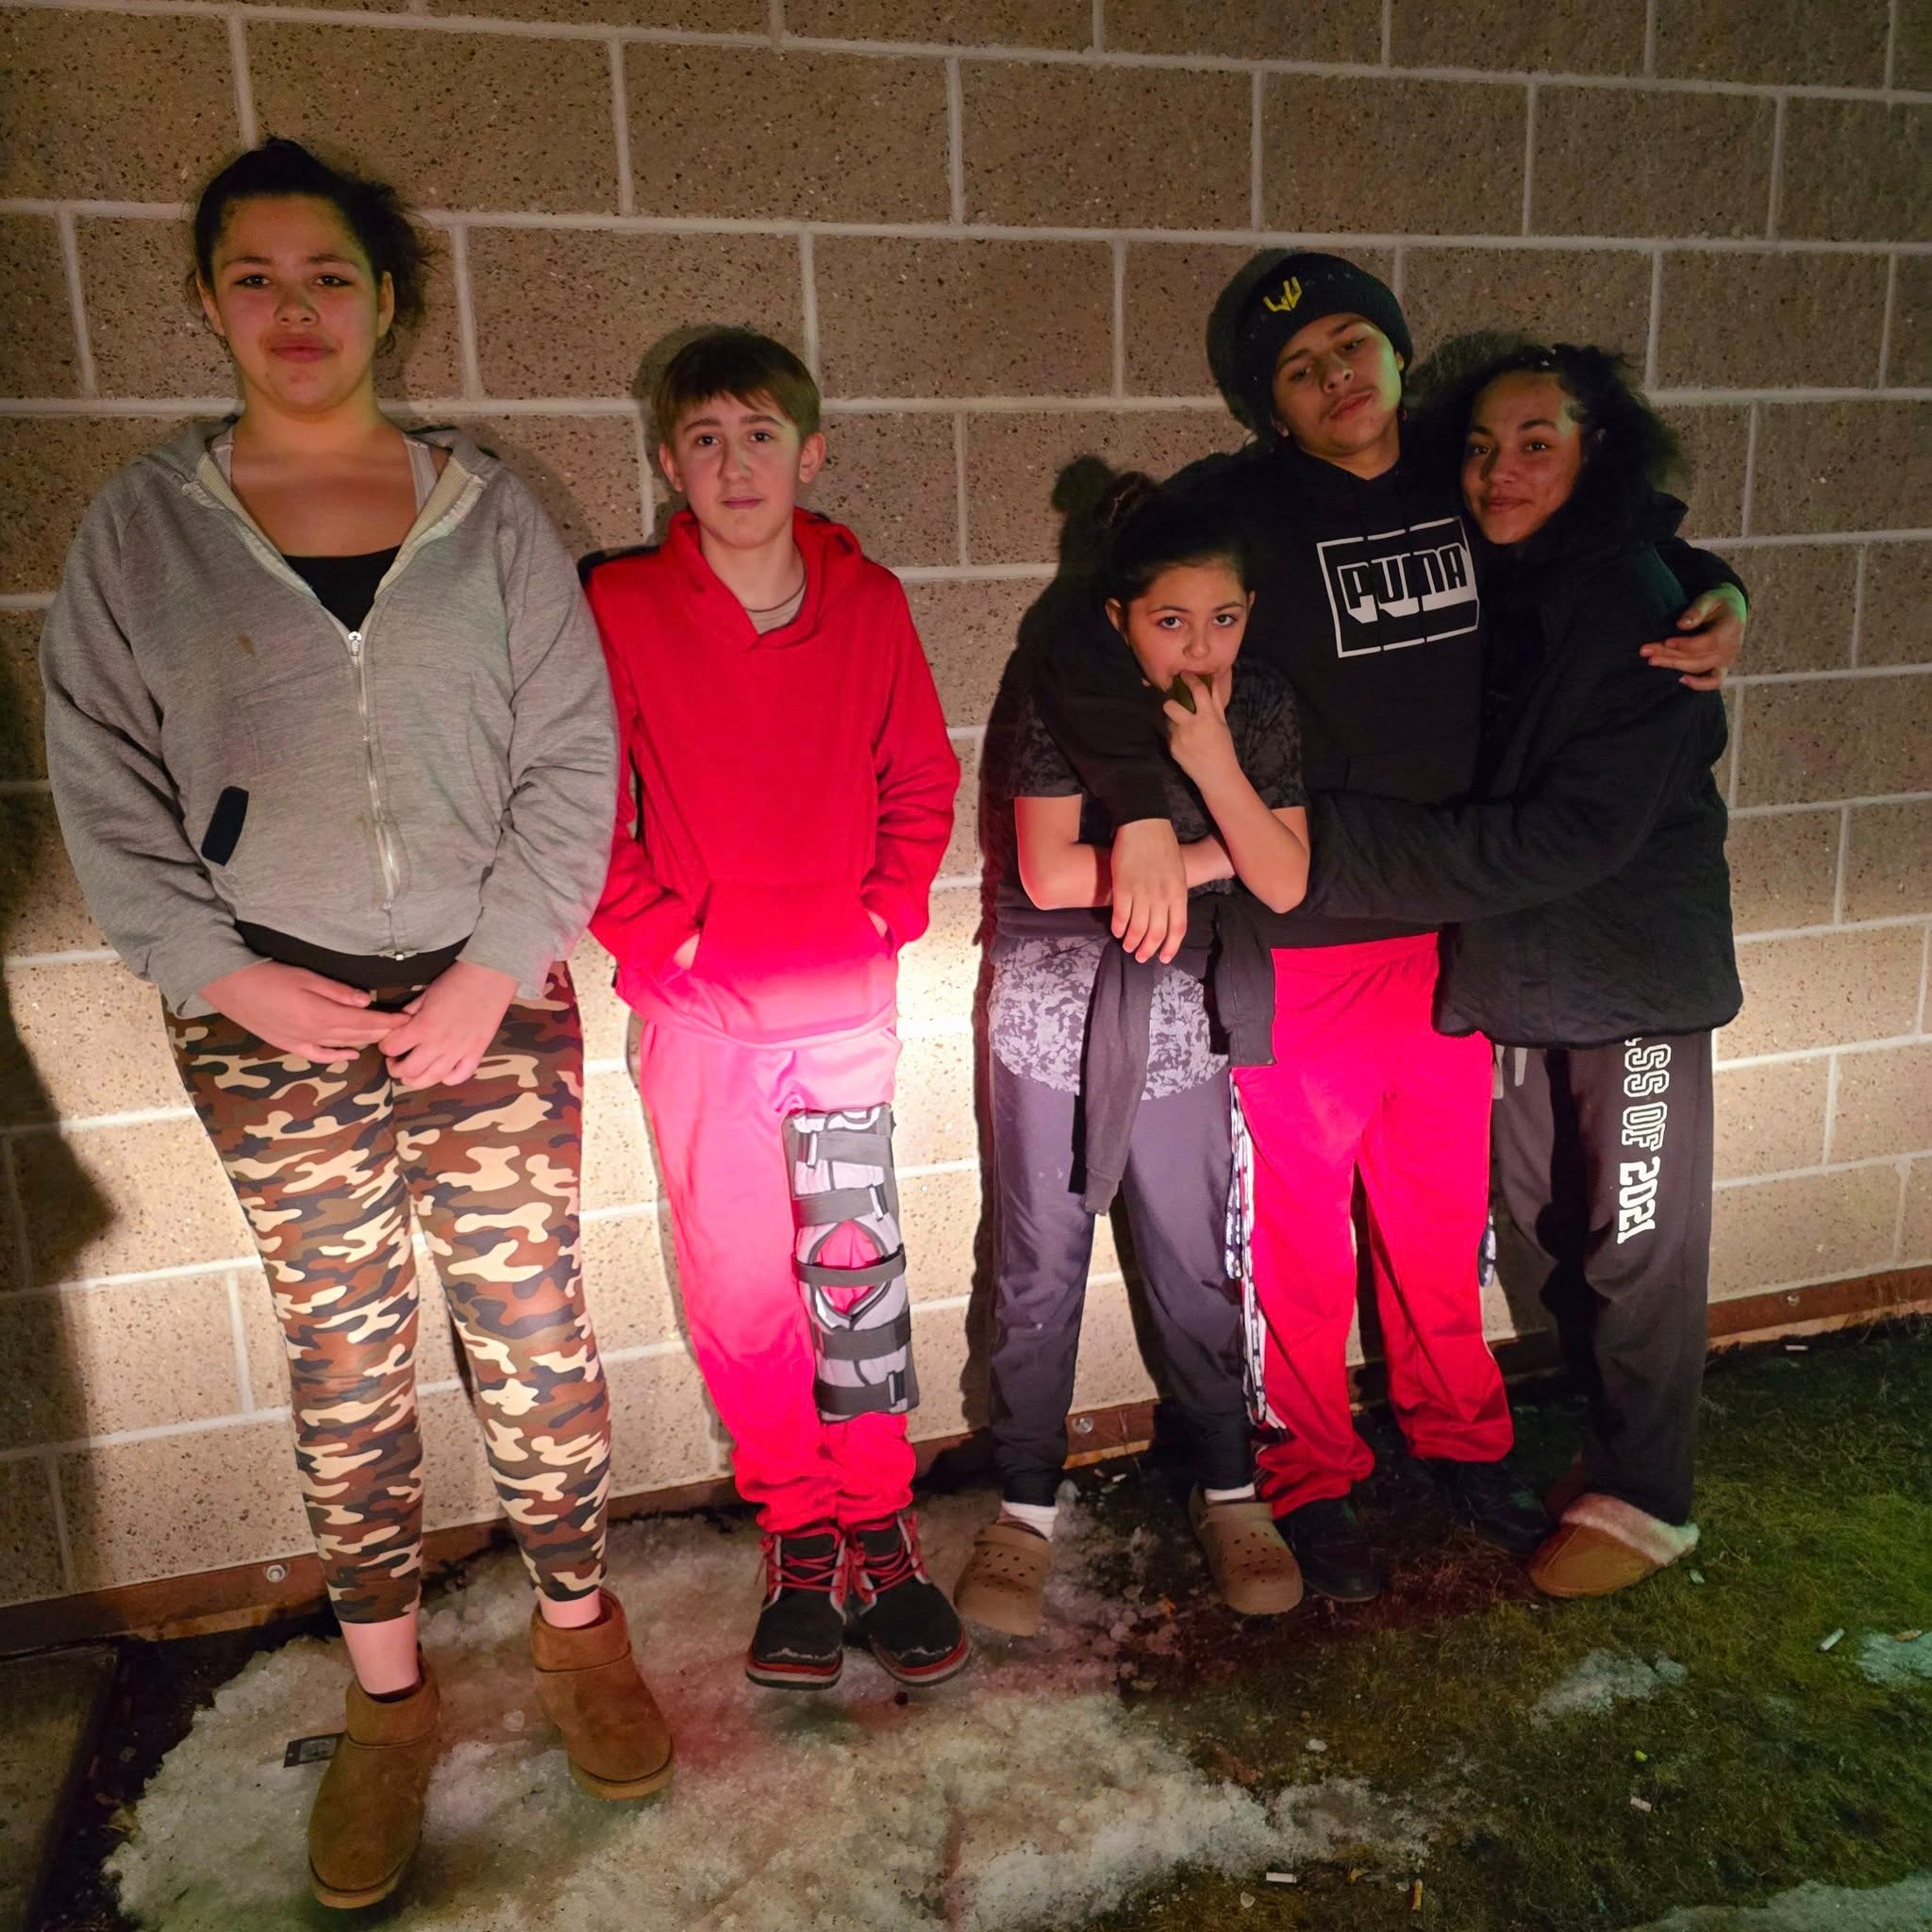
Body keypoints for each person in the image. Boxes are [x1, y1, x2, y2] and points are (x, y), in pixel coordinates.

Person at [39, 140, 667, 1911]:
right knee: (343, 1351)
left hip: (489, 997)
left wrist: (494, 961)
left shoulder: (489, 513)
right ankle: (388, 1692)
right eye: (254, 275)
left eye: (329, 274)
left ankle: (578, 1627)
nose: (294, 307)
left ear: (388, 299)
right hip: (270, 1012)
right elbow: (103, 777)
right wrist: (221, 970)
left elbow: (572, 753)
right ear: (207, 301)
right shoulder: (143, 531)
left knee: (532, 1324)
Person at [1039, 253, 1747, 1602]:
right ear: (1270, 405)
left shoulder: (1463, 477)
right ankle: (1309, 1470)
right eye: (1297, 369)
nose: (1334, 377)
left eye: (1352, 344)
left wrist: (1724, 593)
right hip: (1303, 940)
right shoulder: (1236, 507)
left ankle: (1462, 1438)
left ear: (1398, 355)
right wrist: (1133, 814)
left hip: (1459, 937)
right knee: (1299, 1237)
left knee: (1436, 1220)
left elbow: (1613, 540)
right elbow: (1093, 634)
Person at [1299, 339, 1740, 1596]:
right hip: (1526, 974)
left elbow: (1567, 834)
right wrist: (1723, 583)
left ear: (1596, 455)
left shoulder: (1637, 607)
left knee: (1635, 1238)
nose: (1501, 470)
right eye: (1483, 447)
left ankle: (1649, 1497)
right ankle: (1609, 1450)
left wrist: (1323, 852)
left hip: (1634, 979)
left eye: (1536, 444)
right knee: (1546, 1229)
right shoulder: (1513, 575)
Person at [585, 328, 966, 1691]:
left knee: (855, 1278)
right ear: (668, 463)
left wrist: (883, 912)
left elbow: (921, 776)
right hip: (700, 1026)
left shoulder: (870, 604)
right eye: (703, 439)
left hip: (839, 1016)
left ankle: (880, 1519)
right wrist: (665, 935)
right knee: (741, 1290)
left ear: (811, 454)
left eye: (759, 434)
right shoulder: (623, 606)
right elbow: (578, 796)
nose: (733, 462)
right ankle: (799, 1531)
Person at [954, 474, 1309, 1636]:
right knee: (1036, 1262)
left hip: (1183, 1010)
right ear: (1118, 617)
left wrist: (1207, 777)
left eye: (1222, 617)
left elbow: (1285, 872)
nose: (1198, 645)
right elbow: (1051, 870)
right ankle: (1022, 1502)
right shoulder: (1066, 683)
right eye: (1169, 620)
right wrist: (1185, 855)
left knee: (1193, 1257)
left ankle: (1228, 1485)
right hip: (1053, 1004)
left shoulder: (1257, 701)